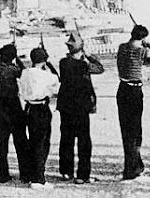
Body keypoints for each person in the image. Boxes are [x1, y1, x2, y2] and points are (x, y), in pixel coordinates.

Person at [116, 25, 150, 180]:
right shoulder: (141, 51)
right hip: (134, 91)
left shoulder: (122, 47)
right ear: (144, 38)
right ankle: (131, 168)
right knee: (135, 131)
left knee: (127, 130)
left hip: (122, 88)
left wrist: (144, 43)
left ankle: (135, 164)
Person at [57, 32, 104, 184]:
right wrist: (89, 56)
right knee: (84, 141)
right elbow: (100, 68)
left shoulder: (63, 63)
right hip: (81, 107)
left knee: (66, 139)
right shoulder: (84, 65)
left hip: (66, 106)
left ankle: (66, 171)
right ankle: (82, 174)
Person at [18, 48, 60, 189]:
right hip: (41, 108)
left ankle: (31, 174)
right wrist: (49, 65)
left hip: (29, 108)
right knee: (42, 144)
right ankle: (38, 178)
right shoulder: (45, 75)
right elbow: (56, 80)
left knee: (33, 142)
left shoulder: (25, 72)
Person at [0, 44, 31, 183]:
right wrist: (17, 58)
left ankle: (3, 173)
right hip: (13, 104)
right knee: (20, 141)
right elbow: (24, 73)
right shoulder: (12, 69)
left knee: (2, 141)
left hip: (0, 105)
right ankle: (25, 173)